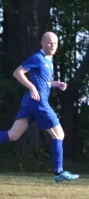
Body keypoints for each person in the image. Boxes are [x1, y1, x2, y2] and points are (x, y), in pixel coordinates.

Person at [0, 32, 79, 183]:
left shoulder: (49, 61)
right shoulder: (37, 58)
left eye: (55, 43)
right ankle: (59, 172)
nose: (52, 45)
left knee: (13, 135)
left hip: (29, 103)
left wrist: (56, 84)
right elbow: (17, 73)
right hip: (38, 103)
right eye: (49, 42)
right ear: (42, 43)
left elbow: (44, 82)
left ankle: (59, 171)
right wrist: (31, 87)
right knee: (59, 134)